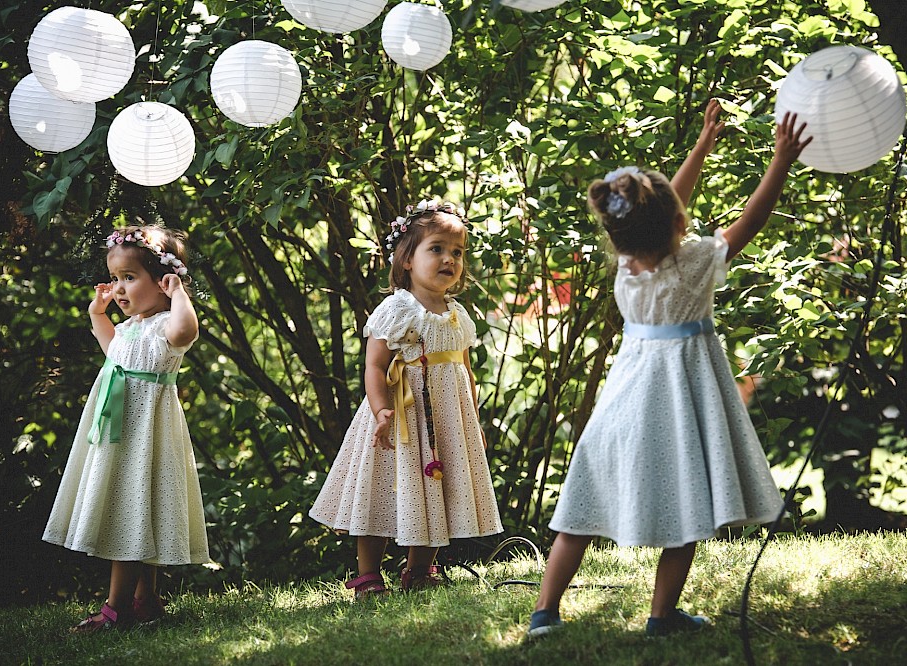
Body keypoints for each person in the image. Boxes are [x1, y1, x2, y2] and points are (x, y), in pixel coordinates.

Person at [527, 102, 812, 638]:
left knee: (582, 502)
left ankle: (545, 611)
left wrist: (701, 147)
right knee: (688, 498)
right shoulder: (696, 260)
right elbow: (753, 217)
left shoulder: (627, 267)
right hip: (684, 393)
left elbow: (659, 213)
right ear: (678, 223)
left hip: (628, 393)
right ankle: (661, 617)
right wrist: (781, 160)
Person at [310, 200, 503, 597]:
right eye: (437, 248)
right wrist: (381, 410)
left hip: (447, 419)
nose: (449, 258)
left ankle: (419, 569)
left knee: (437, 485)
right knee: (382, 487)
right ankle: (368, 573)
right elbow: (375, 366)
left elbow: (464, 370)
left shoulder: (457, 314)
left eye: (458, 252)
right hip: (400, 417)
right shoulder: (399, 308)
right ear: (407, 258)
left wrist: (474, 422)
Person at [43, 225, 209, 632]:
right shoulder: (132, 328)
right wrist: (97, 313)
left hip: (146, 435)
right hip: (117, 435)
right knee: (138, 510)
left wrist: (180, 294)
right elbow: (112, 349)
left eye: (129, 278)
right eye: (115, 279)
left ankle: (115, 609)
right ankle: (145, 600)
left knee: (132, 510)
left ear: (163, 281)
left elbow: (187, 331)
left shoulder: (168, 324)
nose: (118, 288)